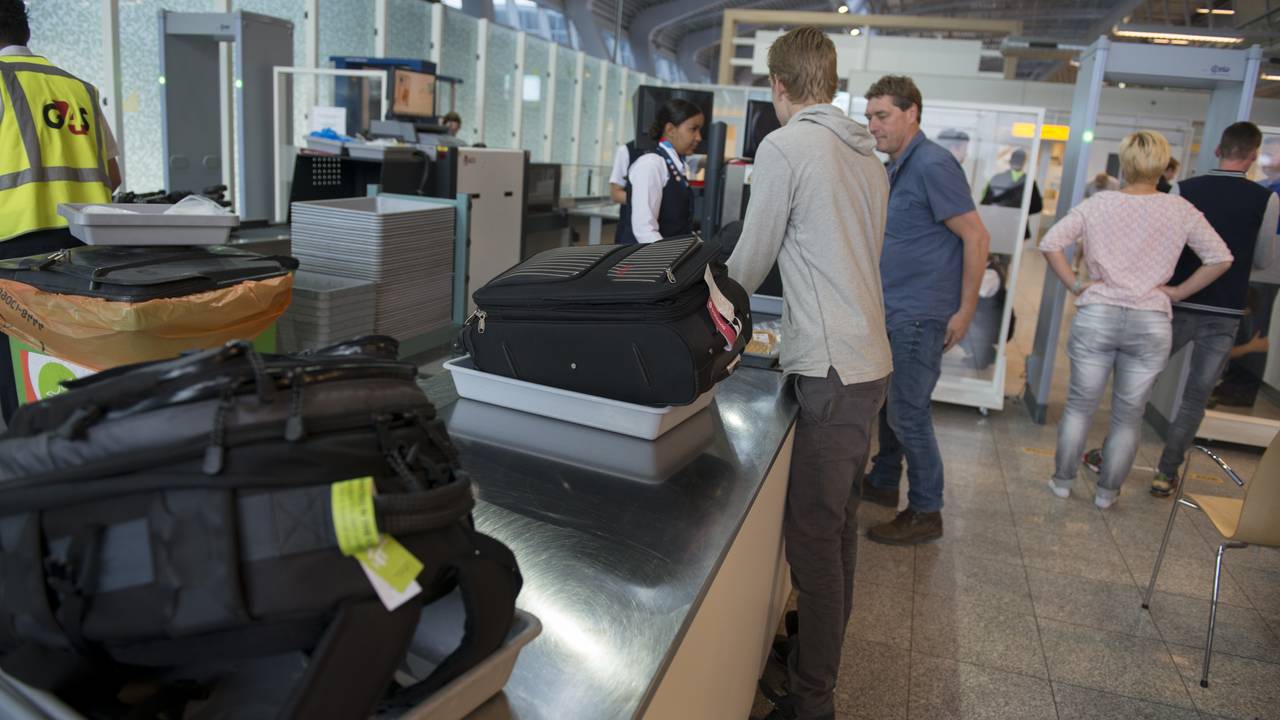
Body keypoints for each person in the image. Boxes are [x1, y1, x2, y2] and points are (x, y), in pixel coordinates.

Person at [727, 26, 891, 720]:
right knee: (839, 527)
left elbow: (750, 259)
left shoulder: (785, 145)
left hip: (830, 367)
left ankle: (811, 698)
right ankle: (814, 661)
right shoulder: (867, 155)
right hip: (868, 361)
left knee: (814, 541)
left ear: (779, 84)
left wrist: (706, 314)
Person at [1083, 123, 1279, 494]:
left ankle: (1110, 457)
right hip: (1226, 311)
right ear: (1253, 156)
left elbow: (1163, 246)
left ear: (1218, 150)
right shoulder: (1266, 199)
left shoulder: (1183, 190)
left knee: (1140, 384)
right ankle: (1165, 473)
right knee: (1195, 397)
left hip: (1176, 303)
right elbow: (1264, 258)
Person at [1041, 130, 1232, 509]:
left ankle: (1062, 481)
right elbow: (1221, 258)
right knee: (1129, 416)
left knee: (1080, 406)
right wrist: (1178, 292)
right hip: (1151, 320)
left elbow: (1050, 243)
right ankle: (1107, 493)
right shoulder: (1180, 209)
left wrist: (1075, 284)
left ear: (1125, 163)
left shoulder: (1099, 204)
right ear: (1162, 165)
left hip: (1098, 313)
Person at [859, 75, 991, 545]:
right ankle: (883, 479)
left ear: (911, 112)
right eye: (869, 116)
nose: (873, 126)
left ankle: (926, 511)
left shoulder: (933, 164)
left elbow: (976, 237)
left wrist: (965, 311)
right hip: (896, 309)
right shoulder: (899, 165)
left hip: (920, 312)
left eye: (882, 115)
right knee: (893, 405)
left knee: (908, 413)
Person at [1, 0, 122, 422]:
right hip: (86, 255)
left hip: (13, 257)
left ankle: (33, 455)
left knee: (18, 375)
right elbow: (112, 175)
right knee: (74, 365)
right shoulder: (78, 87)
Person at [626, 98, 702, 244]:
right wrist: (670, 257)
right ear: (670, 130)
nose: (699, 137)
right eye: (693, 129)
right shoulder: (651, 164)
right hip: (651, 256)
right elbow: (645, 231)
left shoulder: (677, 165)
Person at [608, 140, 644, 244]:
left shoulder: (675, 151)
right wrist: (645, 200)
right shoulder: (627, 150)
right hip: (631, 231)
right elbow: (615, 194)